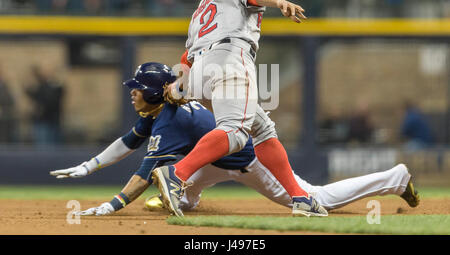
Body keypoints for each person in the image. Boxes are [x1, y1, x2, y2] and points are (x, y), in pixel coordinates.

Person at [49, 62, 420, 216]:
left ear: (152, 92)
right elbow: (128, 142)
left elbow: (143, 174)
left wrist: (110, 206)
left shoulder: (168, 121)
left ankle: (394, 178)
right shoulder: (160, 111)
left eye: (136, 89)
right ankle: (187, 195)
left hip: (245, 161)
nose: (132, 93)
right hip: (213, 157)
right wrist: (90, 164)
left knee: (314, 195)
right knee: (184, 174)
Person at [151, 0, 366, 218]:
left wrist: (178, 87)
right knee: (236, 133)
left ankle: (300, 197)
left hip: (199, 73)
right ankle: (177, 173)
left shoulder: (199, 10)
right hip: (230, 58)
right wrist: (279, 1)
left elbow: (188, 58)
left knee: (262, 128)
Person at [25, 65, 64, 146]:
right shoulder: (40, 86)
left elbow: (53, 98)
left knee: (54, 146)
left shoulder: (56, 86)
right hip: (42, 120)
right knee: (43, 147)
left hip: (53, 120)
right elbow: (31, 94)